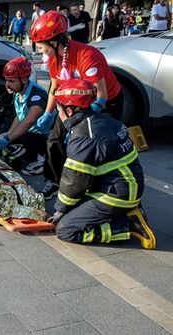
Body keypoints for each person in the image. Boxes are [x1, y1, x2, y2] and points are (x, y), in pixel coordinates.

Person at [46, 79, 156, 250]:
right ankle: (125, 213)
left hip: (117, 193)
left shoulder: (84, 136)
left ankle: (126, 225)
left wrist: (60, 209)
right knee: (73, 209)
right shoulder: (102, 121)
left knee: (66, 229)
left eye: (58, 109)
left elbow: (74, 181)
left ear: (68, 110)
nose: (57, 115)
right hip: (124, 184)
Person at [30, 10, 122, 200]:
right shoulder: (55, 59)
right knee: (54, 138)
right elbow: (55, 87)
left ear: (54, 43)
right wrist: (48, 114)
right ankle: (53, 181)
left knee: (92, 145)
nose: (41, 52)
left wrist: (78, 125)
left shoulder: (86, 56)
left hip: (102, 103)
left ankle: (96, 187)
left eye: (42, 48)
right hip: (72, 103)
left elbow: (101, 95)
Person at [0, 57, 53, 176]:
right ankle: (29, 155)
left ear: (24, 79)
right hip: (33, 134)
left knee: (12, 142)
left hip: (46, 138)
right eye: (6, 80)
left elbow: (30, 120)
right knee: (5, 137)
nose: (7, 84)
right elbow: (19, 116)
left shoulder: (36, 95)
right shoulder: (19, 92)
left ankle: (42, 158)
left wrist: (8, 139)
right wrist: (8, 134)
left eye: (11, 81)